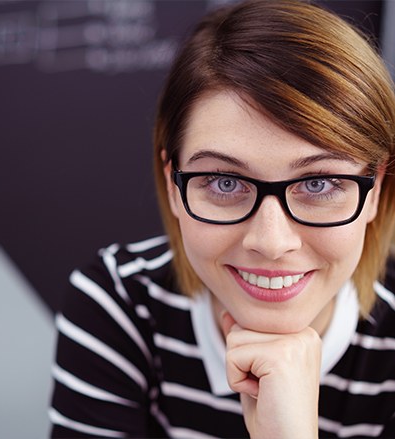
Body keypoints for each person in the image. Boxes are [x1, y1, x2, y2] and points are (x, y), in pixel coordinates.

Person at [49, 0, 395, 437]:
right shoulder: (119, 302)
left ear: (375, 189)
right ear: (174, 185)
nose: (271, 242)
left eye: (318, 184)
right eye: (225, 182)